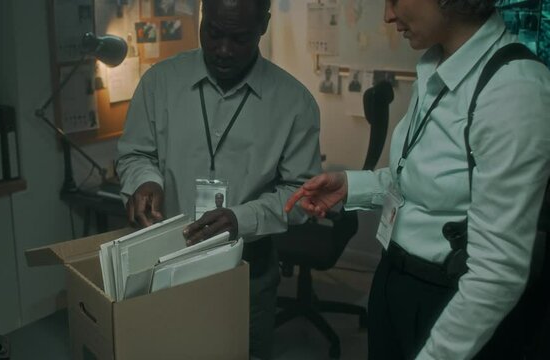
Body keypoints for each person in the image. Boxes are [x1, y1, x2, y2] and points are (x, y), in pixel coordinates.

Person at [285, 0, 550, 359]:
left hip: (450, 302)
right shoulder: (434, 66)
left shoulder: (513, 90)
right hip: (396, 280)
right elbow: (414, 178)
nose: (387, 15)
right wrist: (351, 186)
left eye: (395, 0)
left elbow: (497, 274)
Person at [116, 0, 322, 358]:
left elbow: (301, 195)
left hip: (246, 268)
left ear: (264, 25)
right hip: (166, 259)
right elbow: (135, 154)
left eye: (240, 38)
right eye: (213, 33)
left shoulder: (295, 103)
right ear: (201, 17)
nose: (223, 50)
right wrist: (145, 181)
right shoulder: (159, 83)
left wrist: (240, 218)